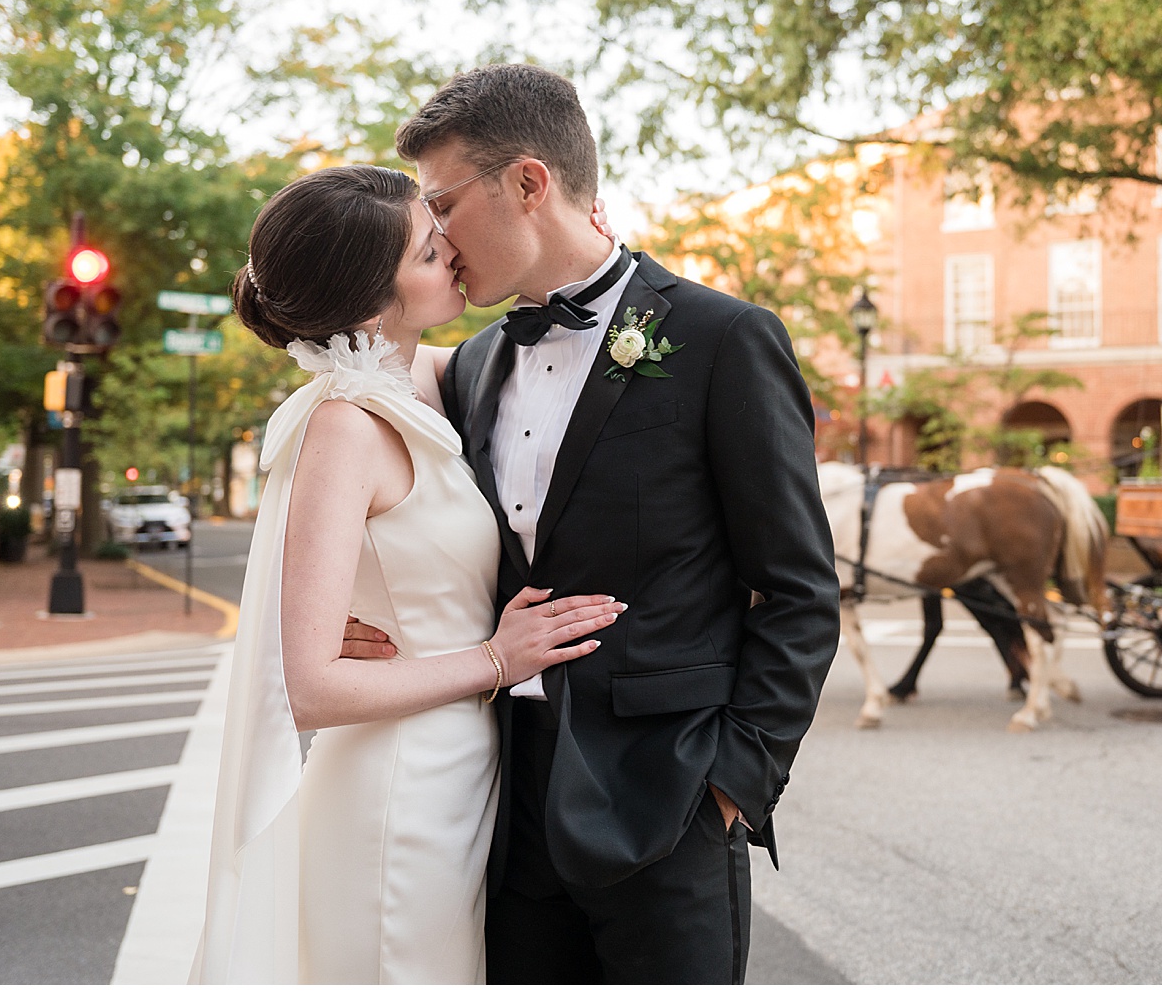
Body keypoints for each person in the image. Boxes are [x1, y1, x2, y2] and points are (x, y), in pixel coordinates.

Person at [343, 65, 840, 983]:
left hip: (670, 803)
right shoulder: (475, 363)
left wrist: (731, 784)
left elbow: (801, 591)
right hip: (495, 802)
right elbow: (361, 443)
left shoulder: (722, 339)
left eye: (444, 203)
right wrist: (358, 608)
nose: (435, 235)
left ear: (529, 183)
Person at [194, 164, 629, 983]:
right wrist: (497, 659)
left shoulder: (421, 385)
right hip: (396, 790)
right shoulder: (343, 427)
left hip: (460, 770)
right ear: (369, 304)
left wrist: (578, 232)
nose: (455, 254)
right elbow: (312, 685)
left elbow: (552, 352)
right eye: (431, 253)